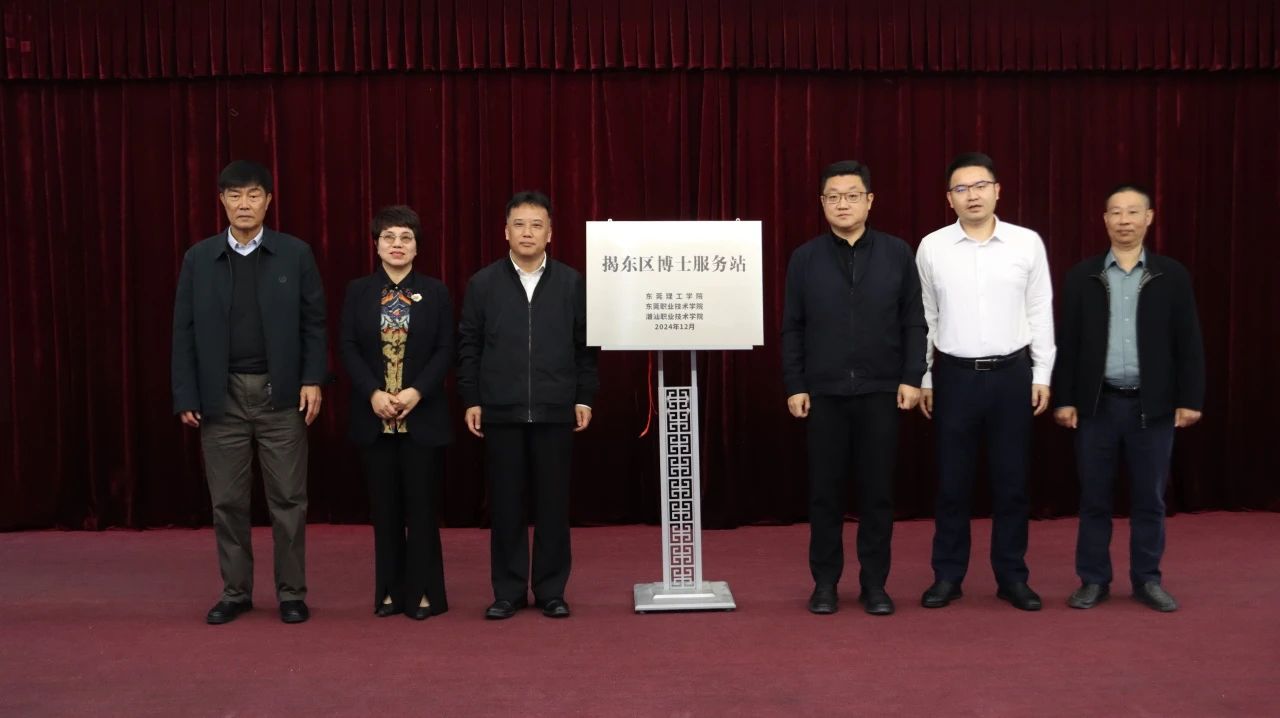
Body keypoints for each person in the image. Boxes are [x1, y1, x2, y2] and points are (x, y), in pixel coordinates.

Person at [171, 160, 326, 625]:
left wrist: (313, 378)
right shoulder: (199, 258)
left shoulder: (294, 254)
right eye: (235, 195)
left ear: (268, 201)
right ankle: (235, 592)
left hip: (282, 395)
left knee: (289, 500)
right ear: (221, 200)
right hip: (221, 397)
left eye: (254, 195)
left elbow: (314, 323)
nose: (244, 204)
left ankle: (291, 593)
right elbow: (183, 330)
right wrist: (186, 394)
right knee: (228, 502)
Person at [781, 160, 926, 616]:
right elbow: (793, 327)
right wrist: (795, 383)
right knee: (824, 494)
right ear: (822, 203)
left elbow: (914, 321)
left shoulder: (897, 253)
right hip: (823, 394)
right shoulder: (805, 258)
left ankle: (875, 585)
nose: (842, 204)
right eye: (833, 197)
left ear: (869, 200)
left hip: (881, 391)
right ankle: (825, 584)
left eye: (852, 195)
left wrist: (912, 377)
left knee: (877, 494)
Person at [1051, 184, 1204, 612]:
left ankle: (1147, 580)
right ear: (1104, 220)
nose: (1124, 220)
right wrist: (1065, 399)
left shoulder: (1171, 275)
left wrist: (1190, 398)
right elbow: (1068, 342)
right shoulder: (1082, 276)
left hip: (1152, 407)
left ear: (1149, 218)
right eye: (1115, 212)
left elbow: (1188, 341)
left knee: (1150, 500)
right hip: (1097, 405)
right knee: (1093, 499)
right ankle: (1093, 580)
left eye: (1133, 212)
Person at [916, 152, 1055, 611]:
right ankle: (947, 576)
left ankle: (1012, 577)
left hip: (1011, 376)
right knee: (951, 484)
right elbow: (926, 317)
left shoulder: (1026, 243)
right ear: (949, 199)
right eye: (961, 188)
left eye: (980, 186)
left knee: (1012, 483)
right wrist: (925, 376)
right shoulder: (932, 247)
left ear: (997, 190)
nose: (972, 195)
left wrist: (1042, 372)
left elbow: (1040, 310)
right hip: (954, 377)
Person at [457, 190, 598, 620]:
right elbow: (469, 346)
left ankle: (552, 590)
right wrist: (472, 398)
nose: (527, 233)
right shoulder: (483, 283)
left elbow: (586, 347)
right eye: (519, 224)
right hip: (501, 409)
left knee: (554, 505)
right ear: (506, 231)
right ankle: (509, 591)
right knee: (506, 506)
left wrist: (584, 396)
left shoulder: (572, 283)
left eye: (537, 225)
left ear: (550, 233)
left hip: (556, 409)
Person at [340, 205, 454, 621]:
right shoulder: (358, 291)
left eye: (406, 238)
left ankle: (423, 593)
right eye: (389, 237)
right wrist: (373, 393)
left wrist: (416, 392)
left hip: (421, 416)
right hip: (375, 418)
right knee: (384, 512)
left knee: (421, 510)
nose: (397, 245)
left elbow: (446, 349)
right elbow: (348, 346)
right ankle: (389, 591)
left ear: (417, 246)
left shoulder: (436, 292)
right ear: (376, 244)